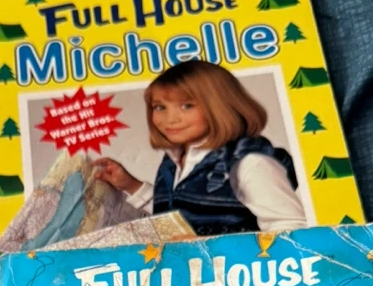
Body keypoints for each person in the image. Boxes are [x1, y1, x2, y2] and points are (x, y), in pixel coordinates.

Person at [91, 60, 306, 237]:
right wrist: (132, 186)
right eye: (160, 107)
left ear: (219, 105)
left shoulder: (249, 163)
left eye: (186, 106)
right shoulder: (173, 160)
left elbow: (291, 228)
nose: (170, 119)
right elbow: (179, 215)